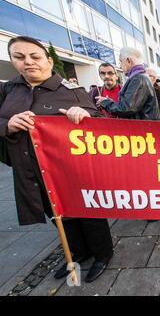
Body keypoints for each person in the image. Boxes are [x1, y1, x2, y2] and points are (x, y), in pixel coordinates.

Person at [0, 36, 113, 283]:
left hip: (72, 172)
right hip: (32, 172)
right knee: (58, 215)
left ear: (49, 61)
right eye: (20, 57)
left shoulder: (72, 91)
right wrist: (7, 125)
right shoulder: (7, 91)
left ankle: (103, 254)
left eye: (35, 56)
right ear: (12, 61)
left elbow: (99, 121)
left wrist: (84, 114)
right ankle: (78, 253)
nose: (28, 62)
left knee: (87, 213)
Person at [97, 47, 159, 120]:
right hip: (143, 127)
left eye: (121, 61)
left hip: (141, 129)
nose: (120, 66)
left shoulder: (138, 79)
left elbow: (126, 109)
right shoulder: (139, 77)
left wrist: (105, 102)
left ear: (128, 61)